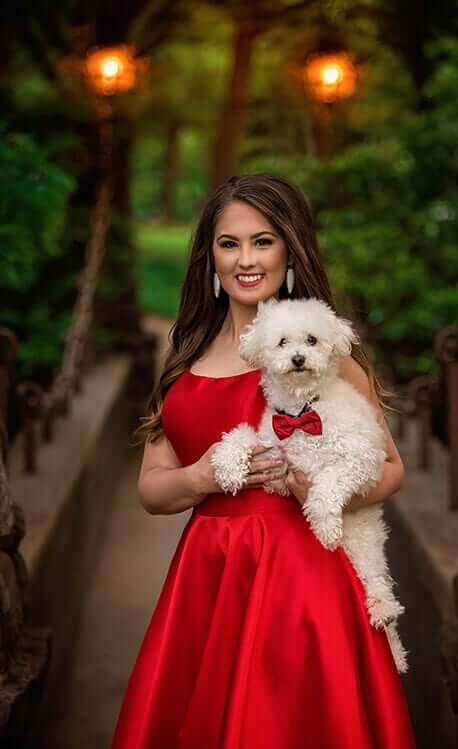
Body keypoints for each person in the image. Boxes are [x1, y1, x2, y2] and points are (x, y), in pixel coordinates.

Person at [111, 174, 417, 748]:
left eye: (263, 241)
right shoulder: (185, 354)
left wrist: (322, 491)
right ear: (210, 258)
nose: (246, 260)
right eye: (230, 243)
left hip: (303, 576)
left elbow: (392, 468)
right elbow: (152, 491)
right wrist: (201, 477)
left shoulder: (321, 355)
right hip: (209, 574)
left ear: (289, 251)